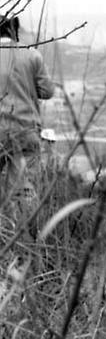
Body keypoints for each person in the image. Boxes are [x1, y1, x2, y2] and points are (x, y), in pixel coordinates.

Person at [0, 15, 55, 210]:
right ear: (13, 30)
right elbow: (47, 91)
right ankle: (25, 235)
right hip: (25, 131)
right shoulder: (31, 55)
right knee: (23, 192)